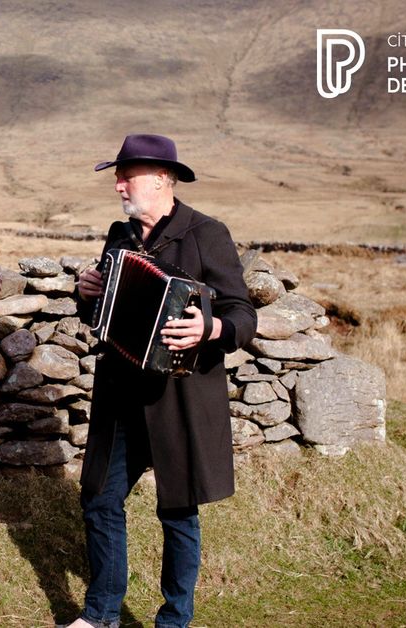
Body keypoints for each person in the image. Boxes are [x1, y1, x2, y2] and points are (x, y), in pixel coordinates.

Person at [67, 134, 257, 628]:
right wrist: (86, 292)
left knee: (177, 511)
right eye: (119, 177)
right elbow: (103, 312)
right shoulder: (120, 235)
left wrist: (208, 328)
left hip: (181, 397)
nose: (118, 186)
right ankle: (102, 615)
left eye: (125, 177)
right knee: (99, 500)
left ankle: (173, 621)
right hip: (121, 395)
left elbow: (242, 312)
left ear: (159, 180)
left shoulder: (206, 233)